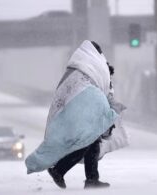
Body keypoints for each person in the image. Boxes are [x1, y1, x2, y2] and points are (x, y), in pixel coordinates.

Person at [25, 40, 119, 189]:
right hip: (82, 111)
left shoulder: (79, 68)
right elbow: (100, 90)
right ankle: (59, 170)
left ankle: (91, 179)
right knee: (85, 143)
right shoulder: (93, 66)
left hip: (78, 111)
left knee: (92, 142)